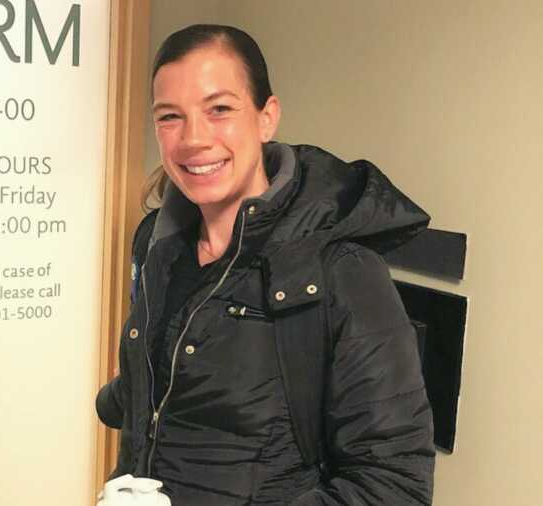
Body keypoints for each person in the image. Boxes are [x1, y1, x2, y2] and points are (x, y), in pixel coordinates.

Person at [95, 24, 435, 505]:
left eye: (219, 109)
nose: (193, 139)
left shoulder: (341, 271)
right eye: (170, 116)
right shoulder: (157, 244)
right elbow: (169, 384)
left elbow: (392, 489)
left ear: (265, 116)